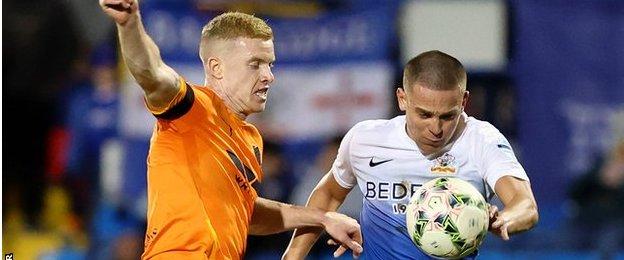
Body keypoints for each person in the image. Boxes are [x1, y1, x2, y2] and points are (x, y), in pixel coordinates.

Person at [98, 1, 363, 259]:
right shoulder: (192, 110)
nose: (269, 76)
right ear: (217, 68)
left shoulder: (251, 139)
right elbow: (151, 74)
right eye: (255, 64)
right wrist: (130, 24)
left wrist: (321, 217)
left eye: (270, 64)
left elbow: (245, 211)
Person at [283, 50, 539, 259]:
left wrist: (503, 218)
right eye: (425, 114)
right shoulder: (366, 139)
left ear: (463, 102)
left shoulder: (482, 141)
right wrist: (292, 257)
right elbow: (328, 195)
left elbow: (524, 204)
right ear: (402, 99)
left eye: (448, 116)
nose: (436, 129)